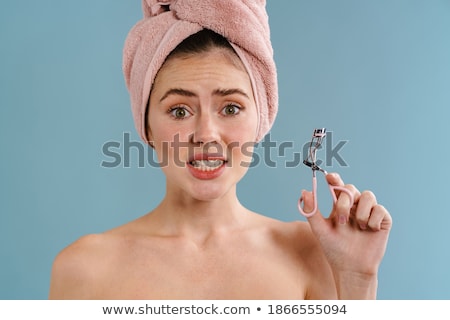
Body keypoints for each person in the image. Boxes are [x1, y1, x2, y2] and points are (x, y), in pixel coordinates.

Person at [49, 0, 392, 299]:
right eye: (179, 110)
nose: (206, 135)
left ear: (262, 118)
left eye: (230, 108)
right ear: (146, 125)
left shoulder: (314, 256)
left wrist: (356, 282)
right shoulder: (84, 270)